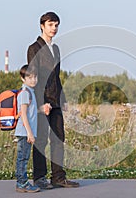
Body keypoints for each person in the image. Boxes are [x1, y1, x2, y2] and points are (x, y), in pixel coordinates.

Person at [27, 11, 79, 189]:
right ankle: (40, 178)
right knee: (41, 140)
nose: (54, 28)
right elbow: (34, 78)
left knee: (58, 138)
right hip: (42, 102)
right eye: (50, 25)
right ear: (42, 26)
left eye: (56, 25)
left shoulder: (55, 49)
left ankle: (58, 177)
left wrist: (62, 98)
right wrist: (41, 103)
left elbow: (56, 76)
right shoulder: (34, 48)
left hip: (56, 100)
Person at [15, 64, 51, 193]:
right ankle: (21, 183)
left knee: (24, 157)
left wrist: (42, 109)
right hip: (25, 132)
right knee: (22, 158)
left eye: (35, 77)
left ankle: (22, 182)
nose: (33, 80)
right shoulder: (25, 93)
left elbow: (32, 111)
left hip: (27, 132)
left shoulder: (31, 92)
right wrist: (30, 133)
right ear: (23, 79)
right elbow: (23, 114)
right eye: (29, 77)